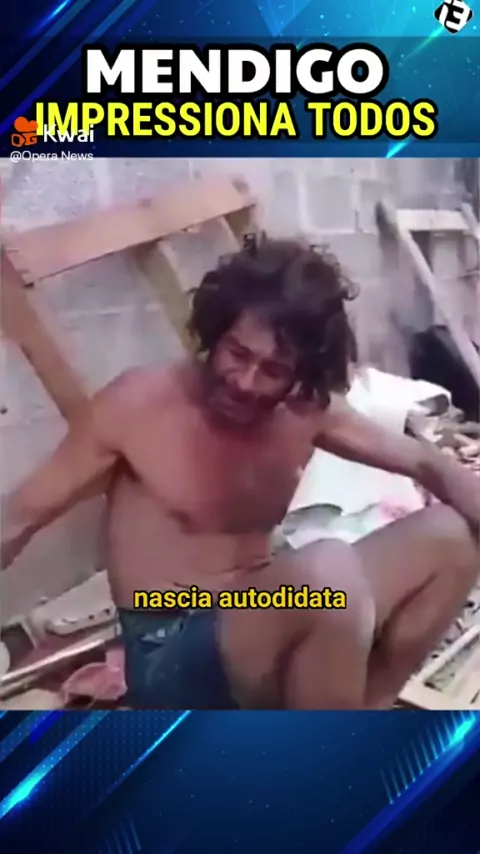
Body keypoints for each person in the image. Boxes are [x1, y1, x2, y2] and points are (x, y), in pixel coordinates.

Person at [2, 236, 479, 710]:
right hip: (169, 643)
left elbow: (427, 463)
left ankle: (368, 714)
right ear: (215, 333)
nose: (246, 382)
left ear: (300, 373)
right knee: (327, 579)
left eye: (273, 370)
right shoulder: (138, 404)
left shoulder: (304, 411)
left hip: (262, 609)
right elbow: (18, 517)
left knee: (450, 535)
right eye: (237, 353)